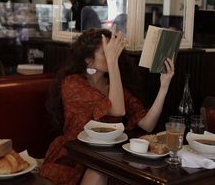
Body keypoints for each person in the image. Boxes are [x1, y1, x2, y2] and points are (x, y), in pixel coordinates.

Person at [39, 28, 174, 185]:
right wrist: (113, 62)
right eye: (106, 52)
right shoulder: (73, 83)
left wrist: (164, 86)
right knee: (98, 171)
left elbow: (147, 124)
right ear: (89, 60)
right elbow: (117, 110)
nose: (113, 56)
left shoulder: (114, 87)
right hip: (75, 154)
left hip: (109, 155)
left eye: (114, 52)